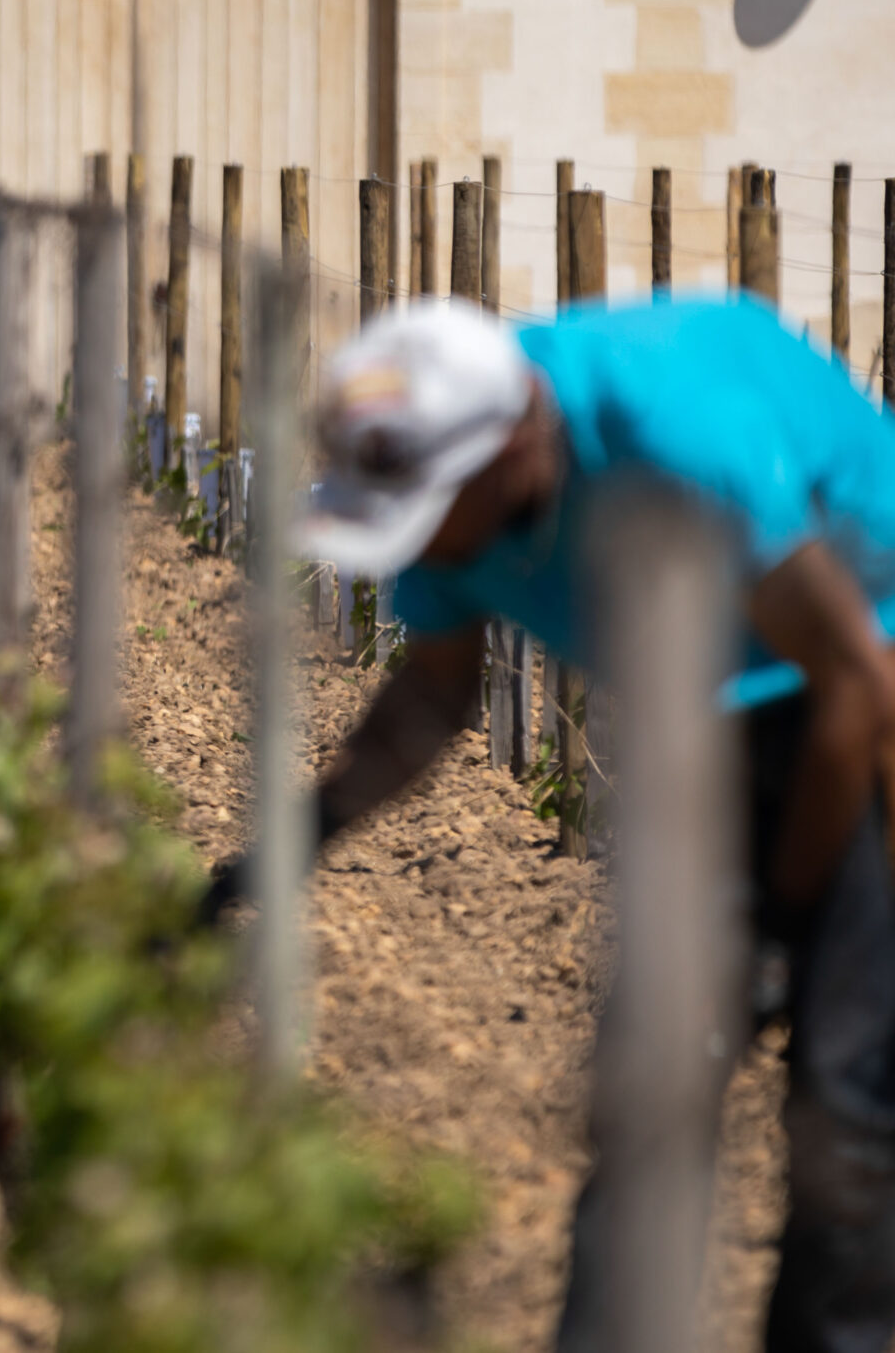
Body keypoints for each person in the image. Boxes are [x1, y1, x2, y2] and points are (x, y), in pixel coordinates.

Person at [212, 295, 895, 1353]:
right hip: (703, 712)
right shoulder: (459, 491)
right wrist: (296, 838)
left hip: (863, 693)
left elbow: (856, 687)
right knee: (652, 1082)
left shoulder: (674, 437)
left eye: (435, 509)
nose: (423, 544)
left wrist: (780, 920)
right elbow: (435, 694)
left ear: (516, 445)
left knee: (845, 1101)